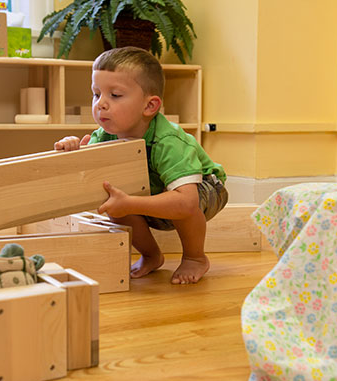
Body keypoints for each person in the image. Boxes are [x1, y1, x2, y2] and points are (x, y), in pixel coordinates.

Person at [54, 47, 228, 284]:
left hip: (206, 190)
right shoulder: (104, 135)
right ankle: (151, 255)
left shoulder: (168, 141)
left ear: (149, 106)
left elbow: (186, 202)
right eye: (96, 94)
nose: (101, 104)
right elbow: (86, 176)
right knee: (112, 201)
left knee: (185, 199)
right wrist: (72, 150)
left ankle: (195, 258)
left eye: (114, 95)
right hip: (155, 194)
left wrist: (131, 203)